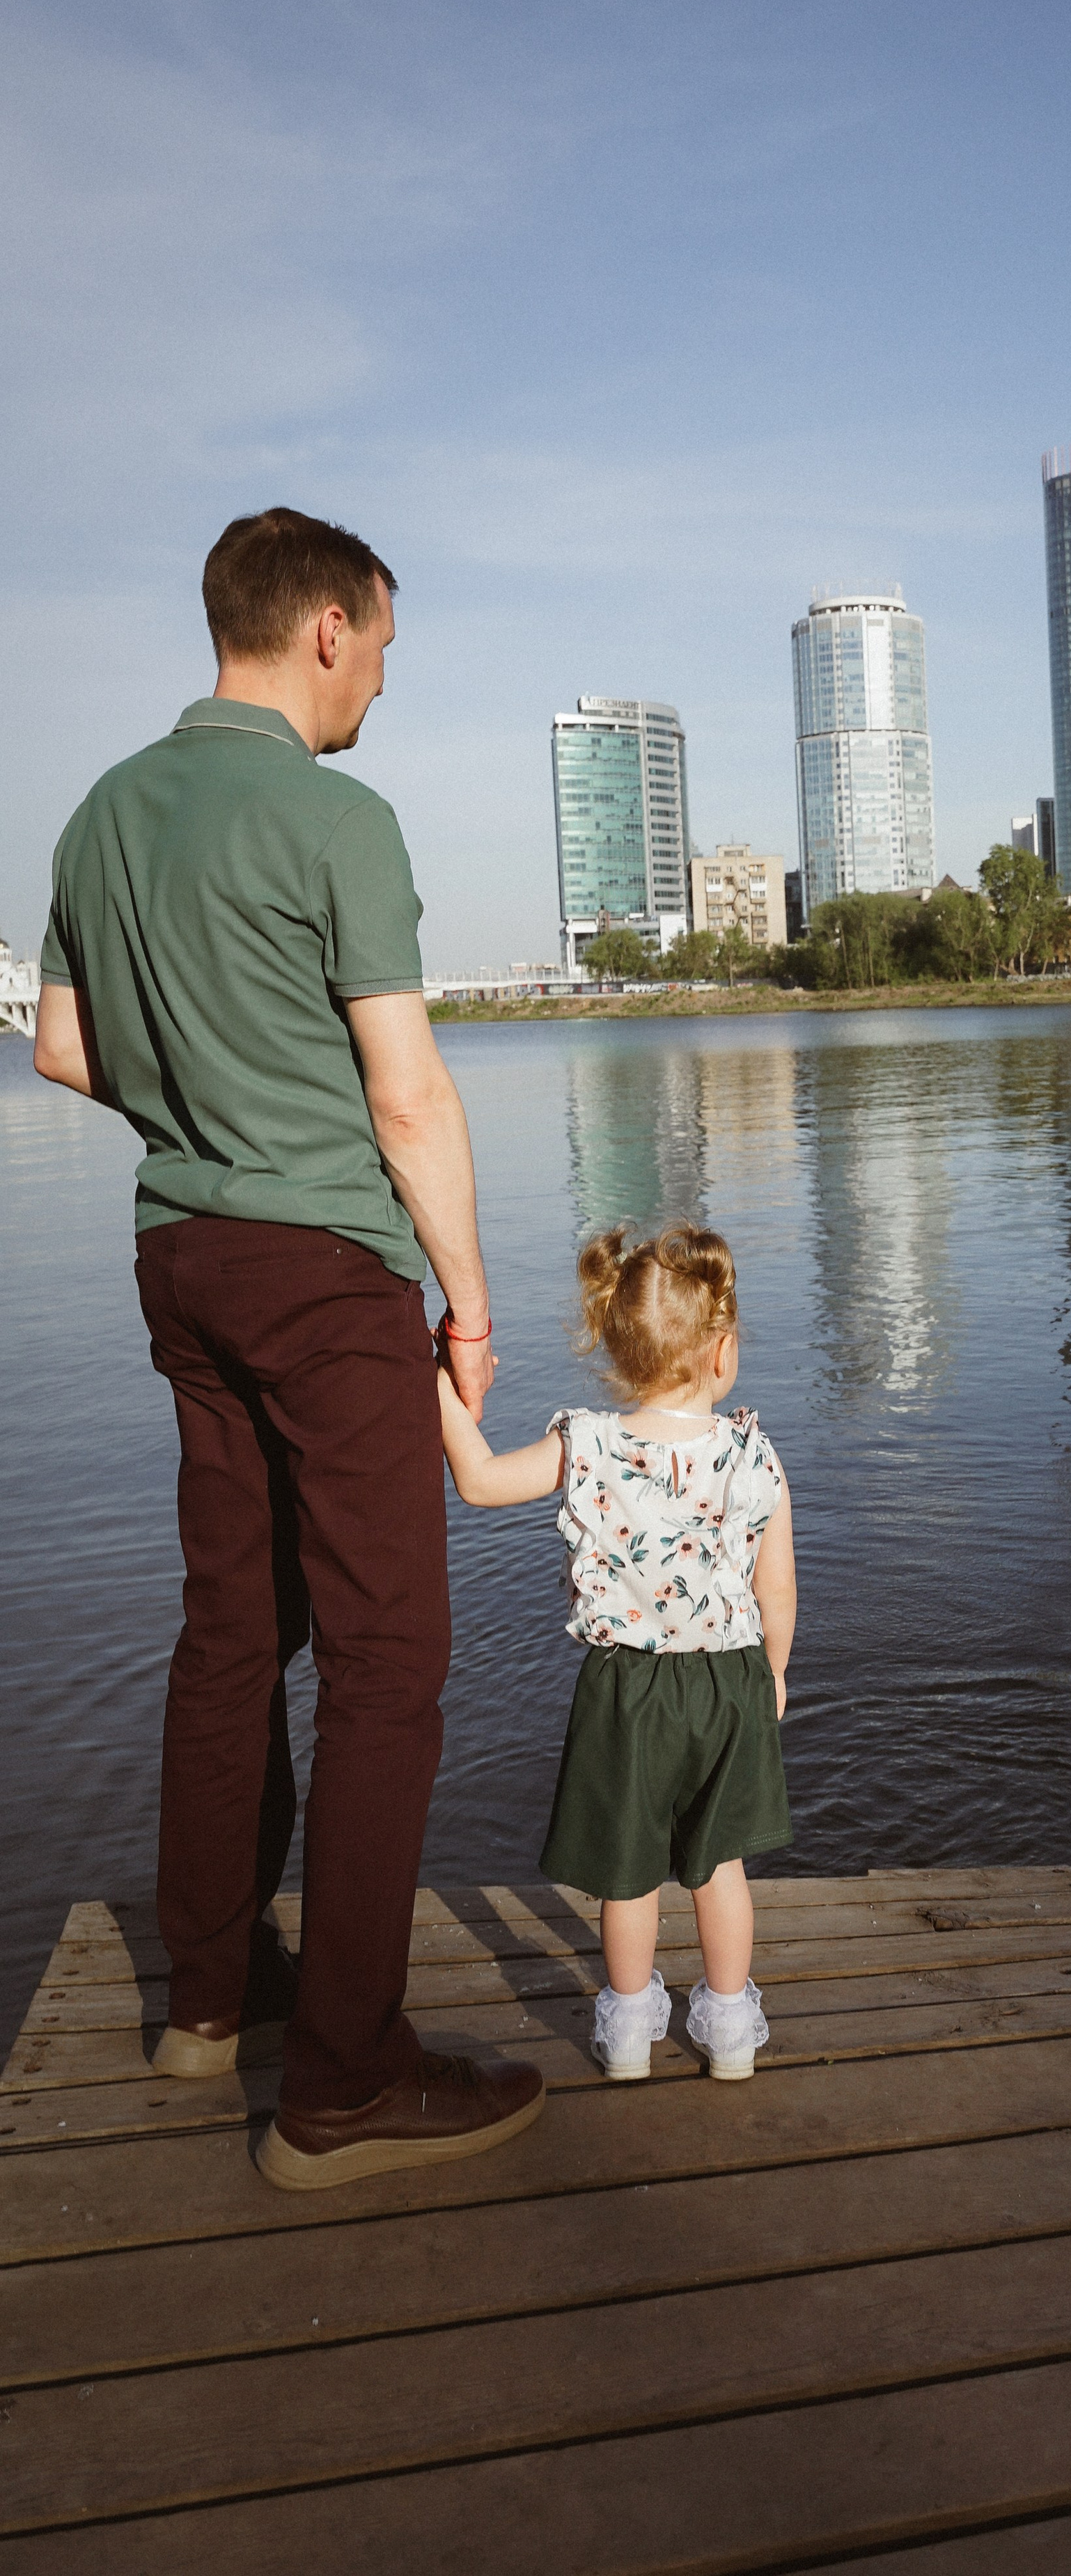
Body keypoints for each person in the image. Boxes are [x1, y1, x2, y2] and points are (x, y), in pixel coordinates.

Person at [34, 506, 544, 2189]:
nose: (381, 684)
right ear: (325, 625)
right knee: (391, 1662)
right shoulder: (334, 814)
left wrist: (200, 1107)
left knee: (231, 1630)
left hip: (180, 1257)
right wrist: (465, 1302)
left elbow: (56, 1049)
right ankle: (340, 2081)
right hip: (327, 1274)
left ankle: (209, 1999)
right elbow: (405, 1093)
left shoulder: (104, 810)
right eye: (382, 648)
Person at [436, 1223, 795, 2082]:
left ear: (618, 1349)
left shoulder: (589, 1444)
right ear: (722, 1353)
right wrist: (774, 1674)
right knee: (718, 1865)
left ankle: (630, 2038)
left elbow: (481, 1482)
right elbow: (776, 1587)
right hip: (729, 1683)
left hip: (625, 1688)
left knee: (628, 1872)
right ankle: (733, 2036)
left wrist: (437, 1387)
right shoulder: (751, 1451)